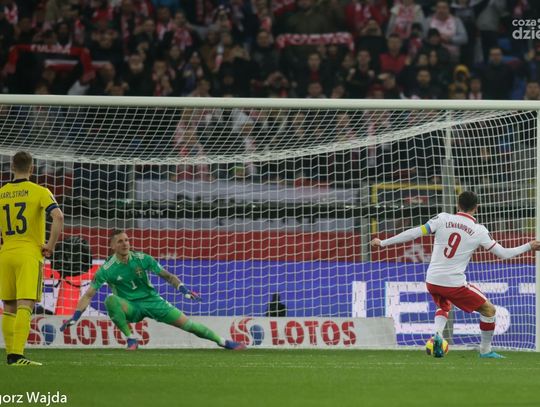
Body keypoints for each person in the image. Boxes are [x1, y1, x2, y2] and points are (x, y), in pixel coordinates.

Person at [371, 191, 540, 359]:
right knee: (489, 310)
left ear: (457, 205)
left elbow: (414, 232)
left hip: (432, 280)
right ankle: (485, 351)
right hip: (453, 283)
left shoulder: (442, 218)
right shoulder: (479, 230)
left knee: (444, 306)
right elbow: (503, 254)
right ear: (476, 207)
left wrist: (383, 242)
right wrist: (529, 246)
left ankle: (437, 335)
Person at [60, 230, 245, 351]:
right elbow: (88, 295)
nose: (125, 244)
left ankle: (223, 341)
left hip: (152, 301)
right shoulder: (106, 269)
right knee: (110, 300)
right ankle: (131, 339)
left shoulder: (143, 259)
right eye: (120, 241)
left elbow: (167, 276)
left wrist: (184, 290)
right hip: (130, 307)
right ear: (113, 246)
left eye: (127, 240)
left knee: (189, 325)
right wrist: (75, 317)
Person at [0, 151, 64, 366]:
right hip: (28, 254)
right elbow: (58, 216)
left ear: (11, 167)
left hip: (6, 253)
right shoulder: (40, 191)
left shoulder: (1, 193)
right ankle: (17, 355)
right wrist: (50, 246)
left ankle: (11, 355)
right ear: (32, 168)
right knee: (24, 305)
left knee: (9, 306)